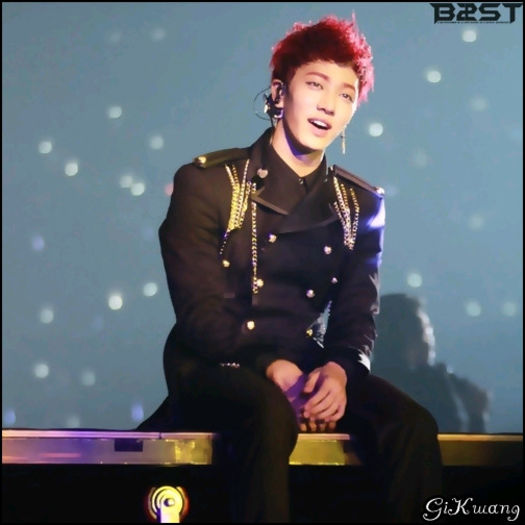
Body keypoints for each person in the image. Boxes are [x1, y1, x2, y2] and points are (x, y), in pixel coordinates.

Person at [138, 14, 442, 522]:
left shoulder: (360, 204)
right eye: (316, 85)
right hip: (214, 361)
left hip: (306, 361)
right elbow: (200, 315)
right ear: (279, 93)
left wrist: (339, 372)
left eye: (346, 94)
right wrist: (273, 368)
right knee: (268, 412)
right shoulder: (210, 183)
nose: (329, 104)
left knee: (411, 424)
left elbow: (356, 318)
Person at [372, 293, 491, 433]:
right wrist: (476, 417)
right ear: (414, 336)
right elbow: (452, 441)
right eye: (427, 330)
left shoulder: (361, 383)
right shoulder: (432, 385)